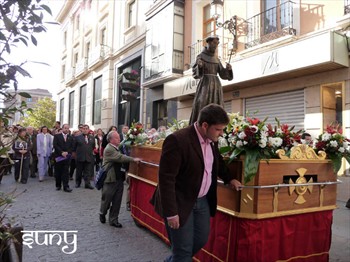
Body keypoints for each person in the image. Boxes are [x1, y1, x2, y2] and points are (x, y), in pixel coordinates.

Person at [151, 104, 241, 262]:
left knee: (200, 240)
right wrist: (171, 213)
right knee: (183, 250)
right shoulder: (177, 140)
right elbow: (166, 178)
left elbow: (216, 161)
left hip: (202, 202)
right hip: (180, 203)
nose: (221, 134)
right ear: (205, 125)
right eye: (218, 129)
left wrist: (230, 178)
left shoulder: (211, 139)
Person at [99, 131, 140, 227]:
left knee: (117, 200)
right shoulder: (109, 149)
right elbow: (120, 157)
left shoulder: (117, 147)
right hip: (110, 179)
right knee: (107, 199)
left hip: (119, 178)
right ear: (111, 140)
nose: (119, 139)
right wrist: (133, 159)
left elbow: (125, 143)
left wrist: (132, 137)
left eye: (119, 137)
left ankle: (113, 219)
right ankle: (102, 212)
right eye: (117, 138)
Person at [189, 36, 233, 125]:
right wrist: (200, 66)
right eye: (214, 43)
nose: (215, 46)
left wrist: (228, 69)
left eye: (217, 44)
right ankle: (200, 124)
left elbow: (222, 74)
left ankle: (216, 125)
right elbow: (195, 73)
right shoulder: (201, 56)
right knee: (202, 102)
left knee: (217, 104)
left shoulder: (216, 58)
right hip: (205, 83)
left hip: (216, 85)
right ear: (208, 43)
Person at [73, 124, 95, 189]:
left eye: (86, 129)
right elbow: (74, 147)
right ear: (82, 129)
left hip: (88, 157)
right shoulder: (77, 137)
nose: (85, 130)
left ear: (88, 130)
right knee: (79, 171)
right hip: (80, 157)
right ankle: (78, 183)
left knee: (87, 172)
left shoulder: (92, 138)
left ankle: (87, 184)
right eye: (84, 129)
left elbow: (93, 147)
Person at [53, 124, 74, 192]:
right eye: (65, 128)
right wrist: (61, 152)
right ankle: (58, 185)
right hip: (59, 156)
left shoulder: (71, 137)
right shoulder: (57, 136)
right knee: (58, 172)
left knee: (66, 172)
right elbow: (55, 145)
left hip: (67, 157)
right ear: (62, 129)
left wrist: (67, 152)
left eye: (67, 128)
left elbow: (72, 147)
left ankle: (66, 186)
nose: (66, 129)